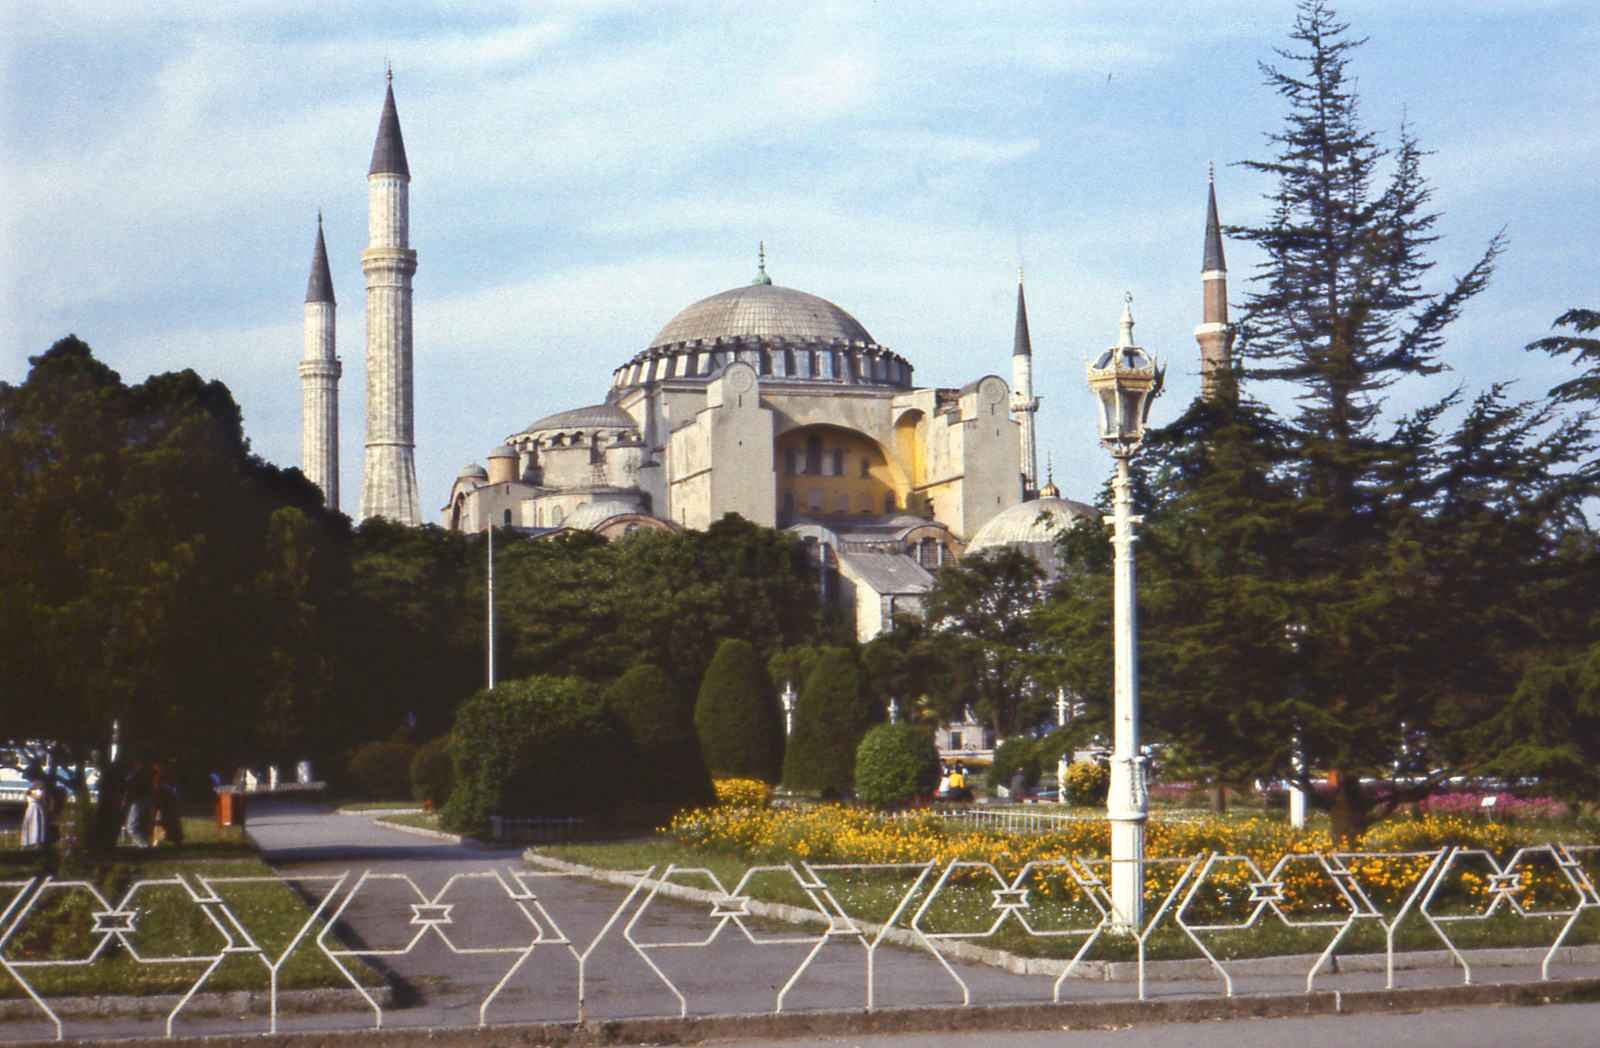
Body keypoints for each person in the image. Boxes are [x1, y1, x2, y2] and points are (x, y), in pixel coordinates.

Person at [21, 765, 49, 849]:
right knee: (30, 826)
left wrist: (29, 793)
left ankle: (34, 845)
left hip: (35, 808)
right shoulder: (35, 784)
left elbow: (39, 797)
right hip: (32, 807)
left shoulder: (38, 784)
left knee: (35, 826)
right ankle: (30, 845)